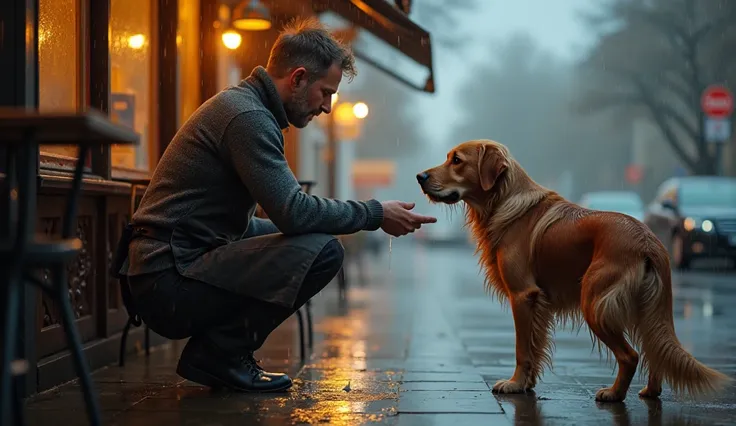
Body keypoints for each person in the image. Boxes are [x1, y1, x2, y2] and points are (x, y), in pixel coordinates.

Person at [114, 16, 437, 393]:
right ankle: (220, 355)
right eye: (326, 92)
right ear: (298, 78)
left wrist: (315, 229)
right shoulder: (248, 117)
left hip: (170, 268)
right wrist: (374, 213)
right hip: (166, 281)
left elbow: (249, 225)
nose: (329, 107)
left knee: (316, 243)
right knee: (324, 252)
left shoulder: (247, 109)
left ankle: (219, 354)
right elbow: (293, 212)